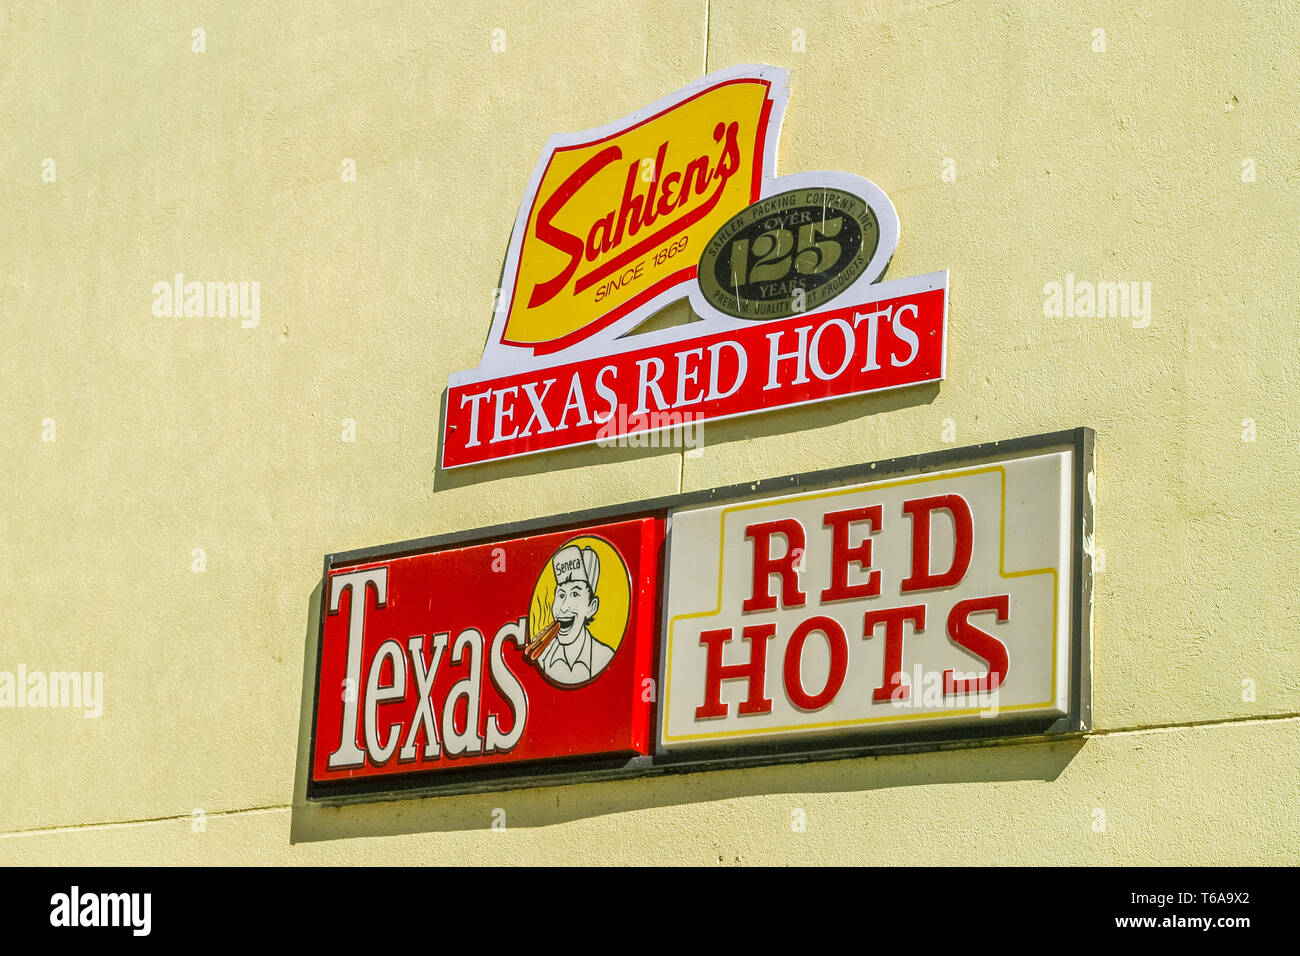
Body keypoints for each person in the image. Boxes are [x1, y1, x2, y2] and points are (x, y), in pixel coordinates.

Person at [538, 544, 615, 685]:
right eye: (561, 595)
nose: (564, 607)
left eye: (575, 594)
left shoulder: (605, 656)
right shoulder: (543, 657)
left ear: (592, 607)